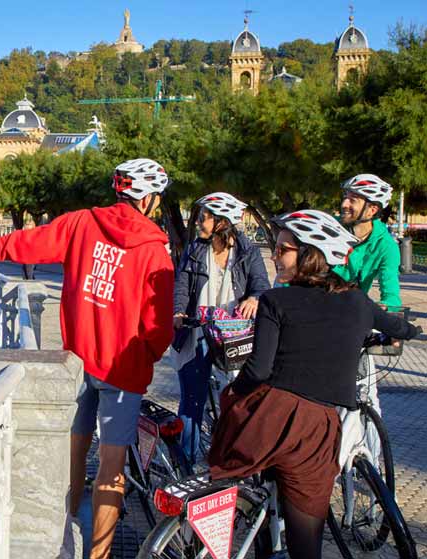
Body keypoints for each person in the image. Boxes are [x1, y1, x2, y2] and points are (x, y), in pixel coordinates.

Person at [0, 158, 174, 559]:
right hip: (124, 371)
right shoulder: (156, 253)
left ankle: (62, 534)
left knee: (72, 454)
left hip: (77, 362)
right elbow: (159, 328)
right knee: (112, 469)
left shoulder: (81, 223)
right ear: (149, 200)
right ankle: (98, 556)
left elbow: (29, 243)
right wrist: (145, 358)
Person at [208, 210, 420, 559]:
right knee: (305, 540)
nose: (274, 255)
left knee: (257, 474)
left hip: (268, 418)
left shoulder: (276, 301)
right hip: (313, 429)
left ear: (311, 255)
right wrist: (413, 331)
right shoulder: (357, 302)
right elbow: (395, 326)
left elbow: (258, 371)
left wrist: (233, 392)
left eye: (283, 249)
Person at [171, 192, 269, 462]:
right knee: (191, 400)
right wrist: (178, 311)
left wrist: (254, 298)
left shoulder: (247, 252)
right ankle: (186, 463)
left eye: (204, 218)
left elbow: (261, 285)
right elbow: (181, 286)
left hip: (233, 334)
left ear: (222, 223)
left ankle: (234, 459)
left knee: (238, 400)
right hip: (197, 332)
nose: (198, 222)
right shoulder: (195, 250)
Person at [335, 174, 401, 308]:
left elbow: (391, 296)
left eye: (352, 200)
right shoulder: (330, 228)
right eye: (345, 198)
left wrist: (386, 306)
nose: (344, 204)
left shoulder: (386, 247)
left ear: (372, 210)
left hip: (348, 312)